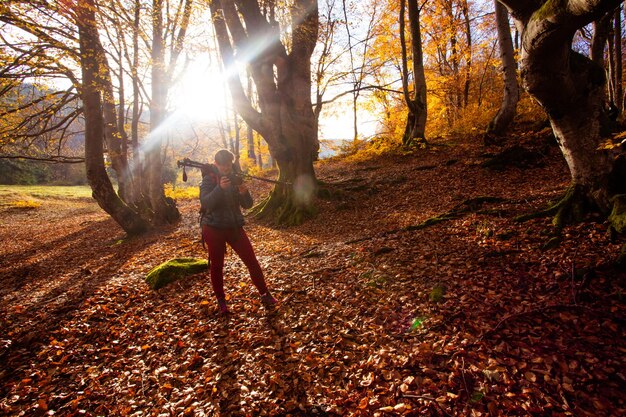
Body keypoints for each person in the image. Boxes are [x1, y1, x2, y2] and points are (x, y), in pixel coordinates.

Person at [199, 149, 277, 314]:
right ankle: (221, 301)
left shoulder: (235, 178)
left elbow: (247, 205)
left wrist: (244, 193)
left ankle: (265, 293)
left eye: (229, 166)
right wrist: (220, 188)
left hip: (234, 227)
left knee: (252, 261)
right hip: (213, 228)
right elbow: (206, 203)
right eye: (223, 166)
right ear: (216, 164)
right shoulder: (208, 180)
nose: (227, 169)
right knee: (217, 266)